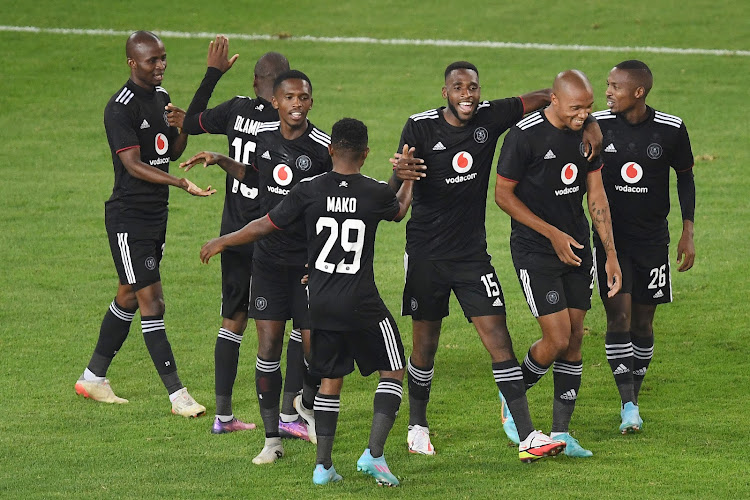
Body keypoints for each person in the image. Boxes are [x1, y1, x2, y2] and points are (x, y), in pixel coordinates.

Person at [390, 61, 602, 460]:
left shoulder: (491, 115)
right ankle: (417, 423)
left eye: (473, 87)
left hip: (472, 256)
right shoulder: (418, 127)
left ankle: (527, 437)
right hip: (426, 255)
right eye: (458, 88)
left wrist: (587, 123)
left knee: (499, 339)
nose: (467, 95)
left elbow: (545, 96)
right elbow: (397, 202)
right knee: (425, 346)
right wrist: (398, 175)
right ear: (445, 92)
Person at [196, 118, 414, 486]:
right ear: (365, 154)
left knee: (330, 379)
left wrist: (224, 240)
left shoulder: (308, 190)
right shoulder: (374, 191)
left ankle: (323, 467)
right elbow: (398, 209)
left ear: (330, 151)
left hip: (319, 299)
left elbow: (265, 223)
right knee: (393, 371)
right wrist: (408, 178)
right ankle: (374, 455)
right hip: (361, 301)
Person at [185, 69, 331, 463]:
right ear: (276, 103)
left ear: (310, 102)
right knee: (268, 347)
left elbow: (331, 205)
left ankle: (305, 405)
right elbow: (255, 175)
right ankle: (272, 440)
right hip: (268, 263)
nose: (296, 103)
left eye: (303, 97)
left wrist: (319, 260)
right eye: (289, 98)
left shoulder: (322, 149)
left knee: (315, 349)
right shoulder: (265, 139)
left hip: (305, 264)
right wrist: (221, 160)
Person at [74, 31, 215, 418]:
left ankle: (93, 378)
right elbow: (133, 164)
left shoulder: (162, 97)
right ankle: (178, 396)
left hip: (156, 215)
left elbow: (170, 149)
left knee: (128, 295)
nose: (160, 66)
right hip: (128, 218)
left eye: (163, 58)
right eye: (152, 60)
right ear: (132, 63)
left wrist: (182, 125)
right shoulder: (119, 108)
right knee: (152, 301)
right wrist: (178, 182)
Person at [174, 36, 307, 437]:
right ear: (284, 87)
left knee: (233, 321)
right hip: (275, 235)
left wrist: (213, 73)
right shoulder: (287, 122)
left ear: (254, 81)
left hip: (233, 231)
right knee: (294, 322)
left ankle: (224, 415)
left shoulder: (234, 110)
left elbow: (189, 120)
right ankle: (290, 414)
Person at [495, 69, 622, 457]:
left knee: (577, 336)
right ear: (553, 100)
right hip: (536, 250)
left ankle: (562, 435)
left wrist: (610, 253)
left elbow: (596, 196)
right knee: (558, 337)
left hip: (577, 247)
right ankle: (513, 397)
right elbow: (502, 195)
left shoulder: (588, 136)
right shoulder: (524, 136)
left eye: (589, 108)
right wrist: (550, 232)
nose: (583, 115)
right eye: (575, 109)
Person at [591, 60, 695, 433]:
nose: (607, 92)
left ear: (638, 92)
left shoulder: (671, 129)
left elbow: (685, 179)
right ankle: (628, 403)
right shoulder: (597, 126)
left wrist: (688, 230)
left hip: (653, 241)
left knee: (643, 323)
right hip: (609, 241)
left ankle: (633, 389)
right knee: (618, 316)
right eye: (607, 84)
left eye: (614, 86)